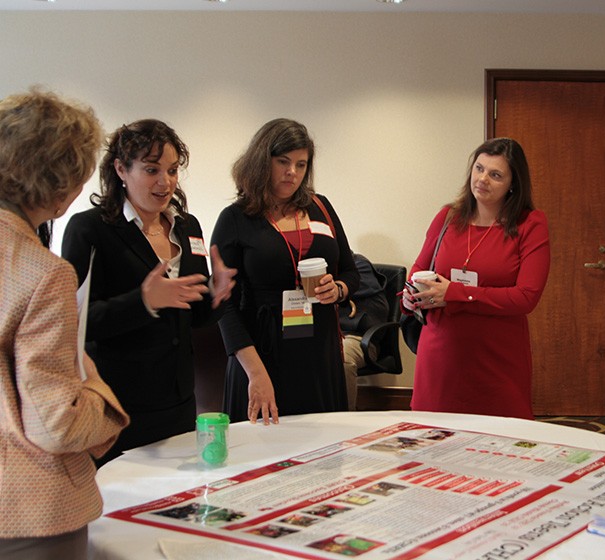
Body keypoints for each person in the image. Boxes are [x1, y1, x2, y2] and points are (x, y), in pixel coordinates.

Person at [0, 89, 129, 559]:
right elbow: (56, 423)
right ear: (62, 185)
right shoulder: (44, 274)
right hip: (26, 508)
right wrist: (99, 395)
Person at [62, 119, 236, 466]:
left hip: (180, 399)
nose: (165, 182)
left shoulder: (188, 226)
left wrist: (217, 295)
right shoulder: (90, 229)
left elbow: (196, 314)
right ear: (121, 169)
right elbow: (73, 323)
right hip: (118, 403)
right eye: (151, 169)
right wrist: (143, 302)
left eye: (172, 170)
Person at [211, 118, 359, 424]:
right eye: (283, 162)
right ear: (261, 161)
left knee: (321, 457)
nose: (292, 172)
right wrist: (255, 372)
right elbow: (223, 306)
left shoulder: (321, 206)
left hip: (319, 351)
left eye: (301, 164)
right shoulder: (235, 218)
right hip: (262, 355)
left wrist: (339, 289)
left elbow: (349, 271)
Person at [403, 137, 550, 419]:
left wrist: (455, 293)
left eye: (495, 175)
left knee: (498, 446)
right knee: (433, 442)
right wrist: (412, 296)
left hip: (497, 358)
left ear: (513, 184)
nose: (483, 179)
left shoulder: (530, 224)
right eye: (479, 168)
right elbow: (418, 269)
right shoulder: (448, 217)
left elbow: (526, 296)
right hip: (441, 352)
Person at [338, 253, 390, 410]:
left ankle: (344, 420)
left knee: (341, 358)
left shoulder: (358, 266)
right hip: (322, 338)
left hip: (355, 337)